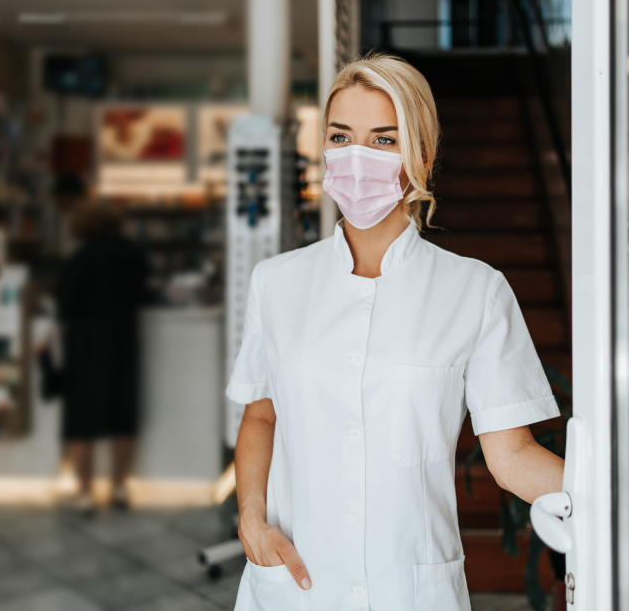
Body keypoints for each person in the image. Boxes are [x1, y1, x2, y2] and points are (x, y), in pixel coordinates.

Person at [227, 53, 565, 611]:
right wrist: (250, 519)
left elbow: (511, 456)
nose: (357, 157)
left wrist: (617, 501)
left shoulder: (475, 291)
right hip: (293, 585)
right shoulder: (277, 283)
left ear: (421, 156)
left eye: (384, 140)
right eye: (341, 136)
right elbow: (261, 414)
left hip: (412, 590)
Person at [55, 199, 150, 514]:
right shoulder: (133, 255)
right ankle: (120, 487)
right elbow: (144, 294)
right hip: (124, 343)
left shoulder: (79, 259)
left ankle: (84, 492)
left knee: (82, 421)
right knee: (123, 417)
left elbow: (65, 306)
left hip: (85, 347)